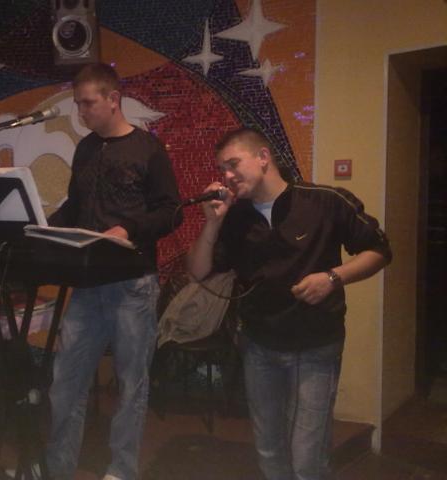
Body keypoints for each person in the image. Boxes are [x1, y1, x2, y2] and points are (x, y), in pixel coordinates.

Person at [186, 127, 392, 480]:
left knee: (307, 456)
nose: (227, 176)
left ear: (263, 157)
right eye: (222, 169)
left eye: (233, 164)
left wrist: (333, 277)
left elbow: (380, 250)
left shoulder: (324, 201)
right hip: (259, 346)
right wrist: (212, 224)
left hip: (316, 346)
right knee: (268, 447)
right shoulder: (235, 217)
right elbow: (198, 272)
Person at [37, 63, 182, 480]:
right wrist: (44, 226)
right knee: (66, 382)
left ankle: (121, 471)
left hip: (132, 283)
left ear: (113, 99)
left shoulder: (148, 148)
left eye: (87, 103)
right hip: (87, 284)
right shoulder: (85, 148)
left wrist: (130, 228)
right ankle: (58, 469)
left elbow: (171, 212)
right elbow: (75, 206)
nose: (81, 112)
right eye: (78, 104)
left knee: (131, 385)